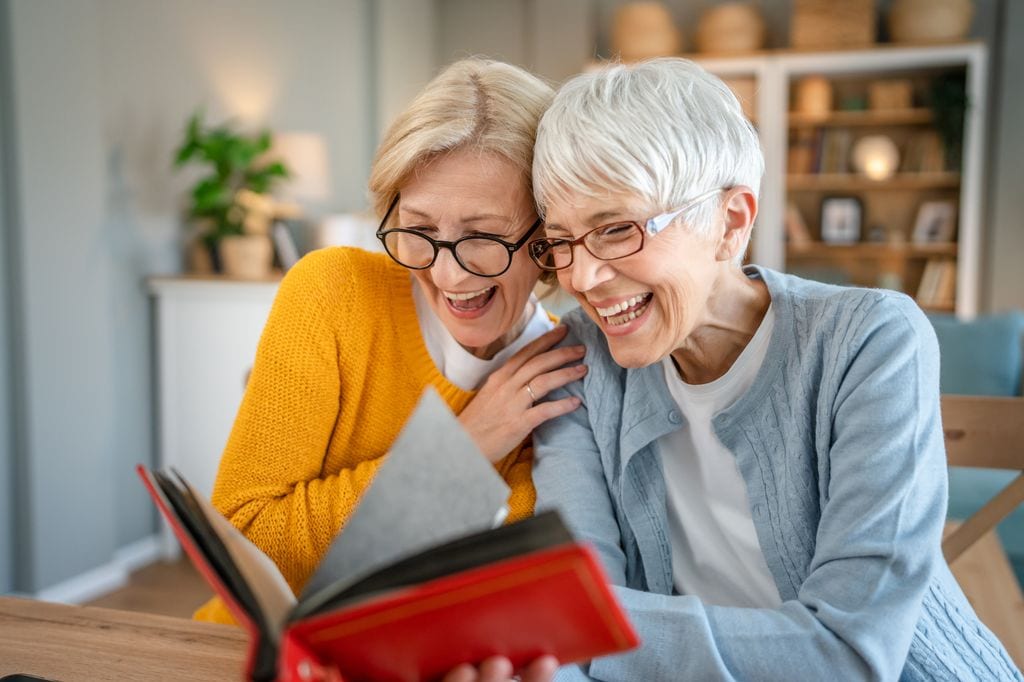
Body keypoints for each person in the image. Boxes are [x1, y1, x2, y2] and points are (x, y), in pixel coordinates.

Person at [527, 58, 1021, 681]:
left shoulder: (870, 342)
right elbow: (570, 616)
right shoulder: (577, 359)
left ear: (730, 221)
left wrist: (583, 634)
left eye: (618, 230)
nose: (580, 276)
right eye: (561, 240)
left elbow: (850, 656)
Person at [194, 58, 584, 682]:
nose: (448, 275)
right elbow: (245, 544)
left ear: (548, 241)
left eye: (484, 236)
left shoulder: (565, 377)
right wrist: (461, 451)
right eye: (419, 229)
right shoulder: (334, 293)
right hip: (245, 657)